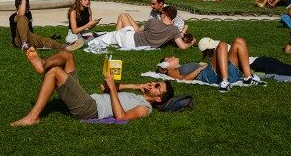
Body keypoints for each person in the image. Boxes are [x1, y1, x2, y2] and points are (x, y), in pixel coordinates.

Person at [10, 46, 173, 126]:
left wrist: (112, 88)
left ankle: (33, 117)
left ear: (158, 99)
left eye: (157, 86)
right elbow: (103, 88)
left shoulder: (145, 108)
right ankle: (43, 63)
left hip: (91, 109)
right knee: (67, 55)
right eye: (156, 82)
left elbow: (121, 117)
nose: (153, 83)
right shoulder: (137, 95)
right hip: (90, 100)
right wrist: (136, 86)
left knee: (55, 72)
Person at [160, 37, 291, 84]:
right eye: (168, 58)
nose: (172, 57)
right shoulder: (172, 71)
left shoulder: (213, 56)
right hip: (252, 64)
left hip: (249, 64)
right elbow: (181, 78)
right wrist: (166, 68)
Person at [10, 0, 81, 51]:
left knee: (46, 40)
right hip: (18, 40)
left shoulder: (28, 14)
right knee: (22, 18)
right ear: (19, 6)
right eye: (27, 5)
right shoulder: (13, 17)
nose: (29, 7)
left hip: (30, 37)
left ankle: (66, 47)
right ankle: (24, 43)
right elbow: (21, 15)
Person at [98, 7, 195, 50]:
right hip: (136, 45)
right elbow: (182, 46)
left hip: (130, 38)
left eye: (161, 13)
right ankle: (116, 37)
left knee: (122, 16)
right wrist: (192, 42)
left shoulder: (153, 21)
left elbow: (137, 30)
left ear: (165, 15)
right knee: (123, 20)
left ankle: (116, 35)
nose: (160, 15)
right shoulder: (174, 30)